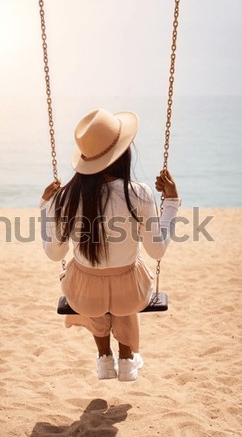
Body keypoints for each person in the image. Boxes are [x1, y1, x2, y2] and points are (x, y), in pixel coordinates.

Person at [40, 108, 180, 381]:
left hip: (84, 295)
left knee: (90, 283)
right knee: (125, 282)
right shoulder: (138, 193)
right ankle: (127, 360)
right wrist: (171, 204)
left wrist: (46, 208)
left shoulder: (64, 198)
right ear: (122, 154)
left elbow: (53, 253)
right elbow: (157, 250)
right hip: (131, 294)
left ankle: (105, 359)